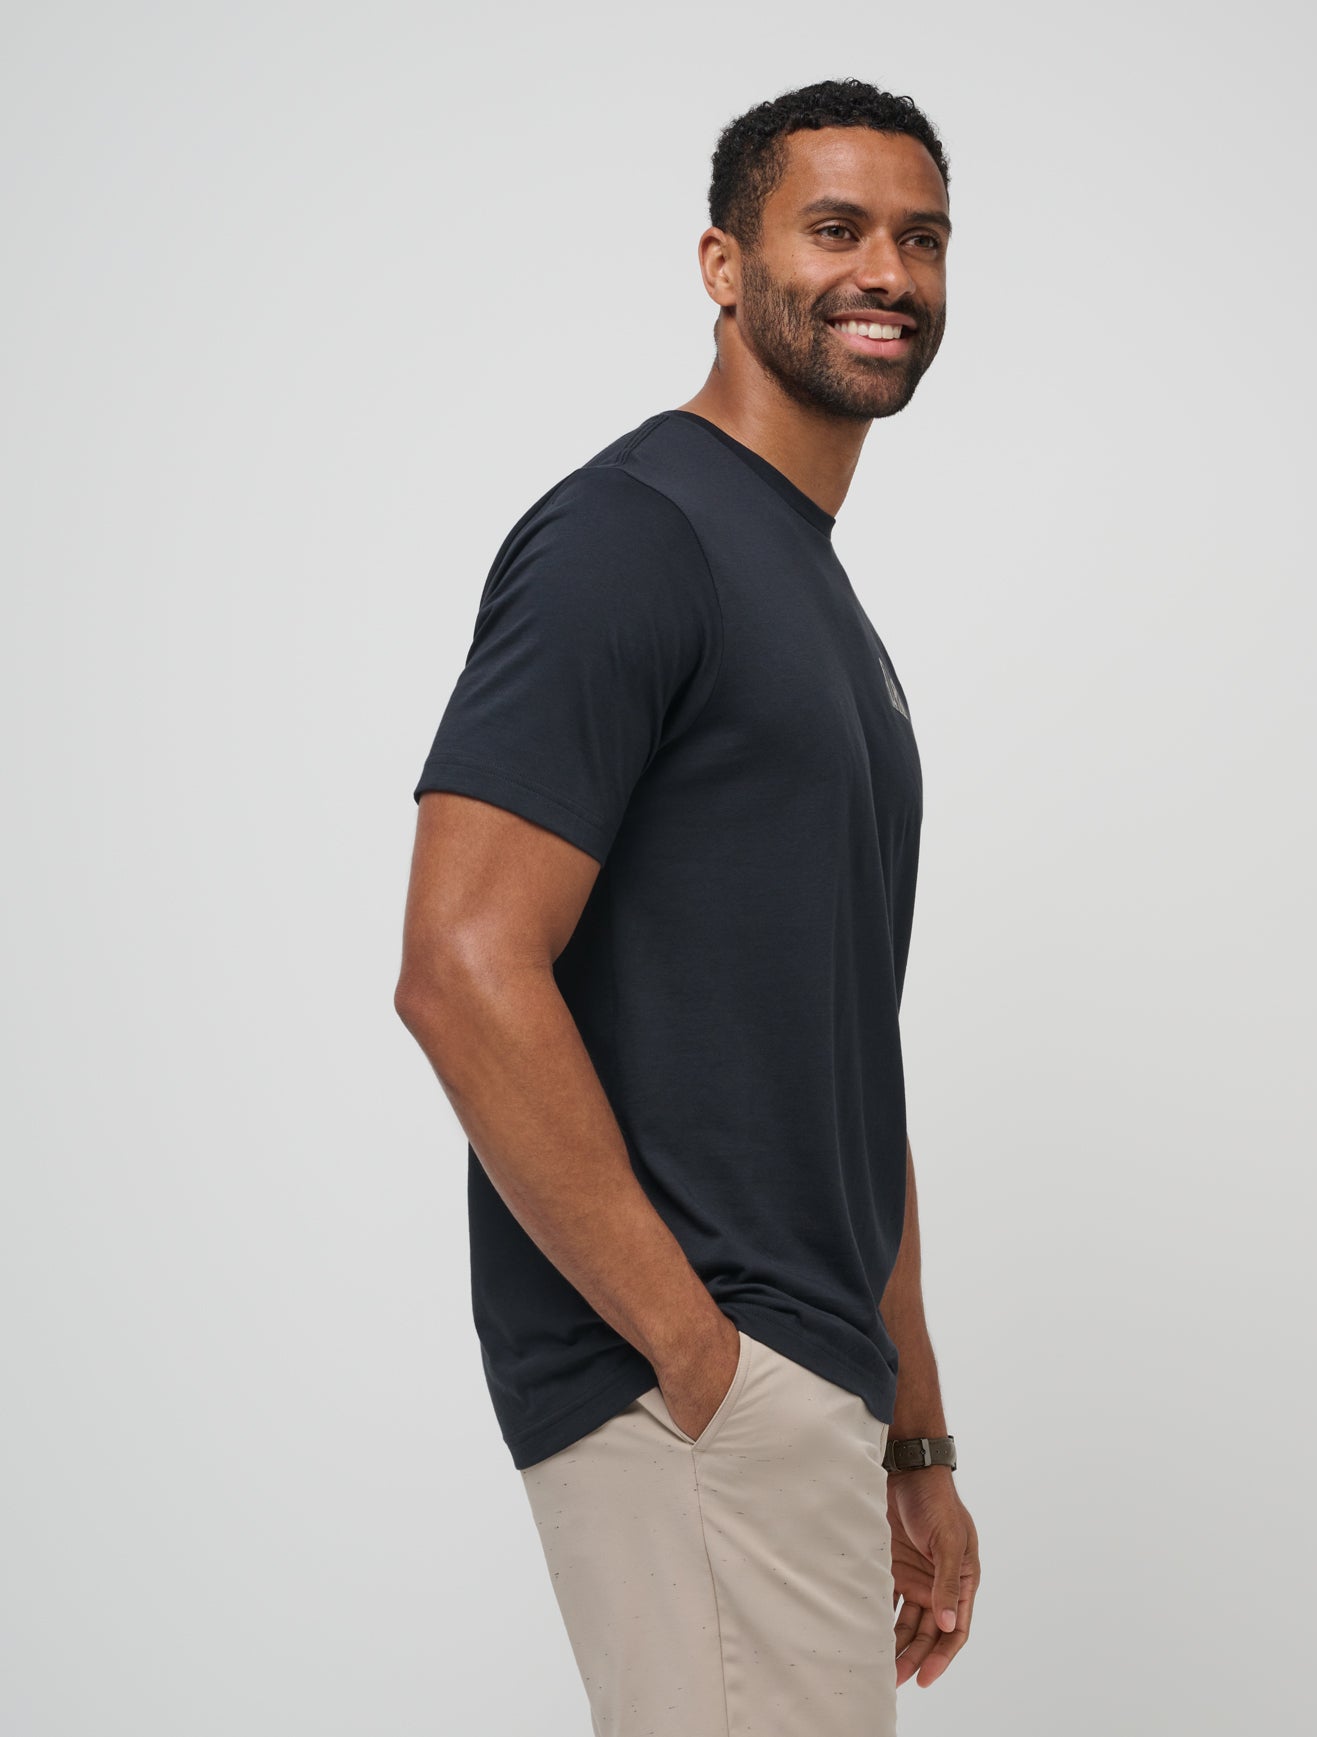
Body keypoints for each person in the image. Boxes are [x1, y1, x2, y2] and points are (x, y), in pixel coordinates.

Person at [394, 75, 981, 1735]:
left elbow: (845, 1055)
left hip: (800, 1390)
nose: (887, 272)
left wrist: (912, 1432)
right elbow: (459, 964)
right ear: (725, 265)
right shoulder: (634, 534)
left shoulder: (815, 597)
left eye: (923, 238)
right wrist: (700, 1358)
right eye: (837, 228)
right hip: (697, 1383)